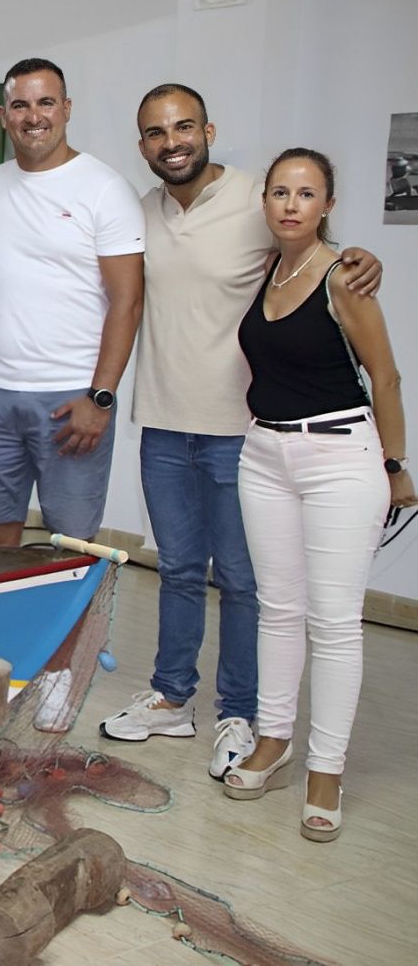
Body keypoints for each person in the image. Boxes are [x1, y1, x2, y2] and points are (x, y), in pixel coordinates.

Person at [99, 85, 381, 778]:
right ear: (143, 146)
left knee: (247, 583)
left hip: (243, 430)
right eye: (157, 133)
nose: (173, 142)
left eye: (184, 126)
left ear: (208, 129)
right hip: (162, 422)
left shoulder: (260, 198)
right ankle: (172, 699)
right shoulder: (141, 213)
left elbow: (316, 254)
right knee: (177, 572)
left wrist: (361, 258)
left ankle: (242, 712)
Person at [223, 148, 412, 843]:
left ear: (328, 204)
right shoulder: (269, 268)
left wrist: (395, 466)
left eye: (307, 193)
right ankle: (274, 741)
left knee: (333, 622)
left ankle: (326, 770)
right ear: (266, 202)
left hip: (340, 455)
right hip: (265, 451)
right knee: (279, 608)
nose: (291, 203)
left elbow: (385, 378)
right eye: (280, 191)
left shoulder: (345, 278)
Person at [0, 59, 143, 548]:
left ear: (66, 109)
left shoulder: (105, 189)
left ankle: (70, 630)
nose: (33, 116)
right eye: (20, 105)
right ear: (4, 115)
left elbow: (127, 302)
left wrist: (100, 397)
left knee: (71, 547)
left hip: (71, 397)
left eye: (45, 102)